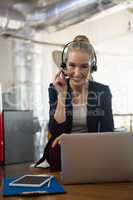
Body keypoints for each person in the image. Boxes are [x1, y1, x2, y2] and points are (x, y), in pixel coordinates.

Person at [35, 35, 114, 170]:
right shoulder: (54, 88)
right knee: (56, 149)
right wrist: (62, 94)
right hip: (63, 148)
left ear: (92, 67)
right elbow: (55, 131)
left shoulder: (102, 91)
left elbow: (108, 129)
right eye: (72, 65)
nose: (77, 73)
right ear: (64, 66)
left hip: (92, 147)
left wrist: (81, 142)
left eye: (84, 66)